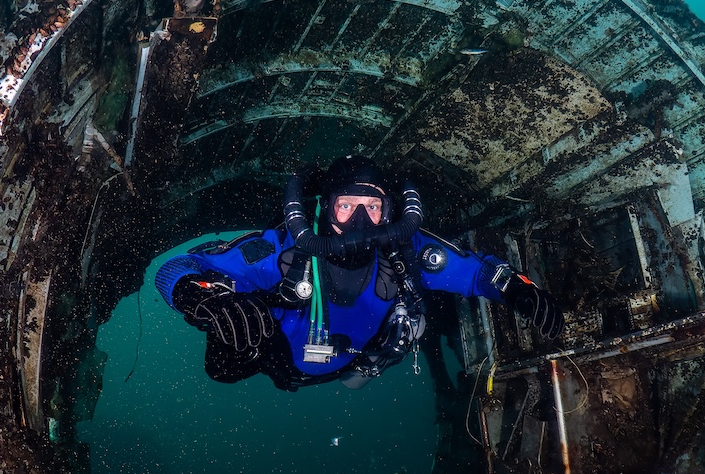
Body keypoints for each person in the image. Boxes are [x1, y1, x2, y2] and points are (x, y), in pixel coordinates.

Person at [155, 156, 563, 391]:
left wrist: (520, 291)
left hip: (354, 365)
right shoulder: (282, 251)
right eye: (346, 207)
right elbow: (177, 267)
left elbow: (476, 274)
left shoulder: (404, 251)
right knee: (219, 368)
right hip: (275, 359)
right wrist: (202, 295)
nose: (360, 222)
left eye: (373, 208)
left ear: (390, 213)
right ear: (323, 208)